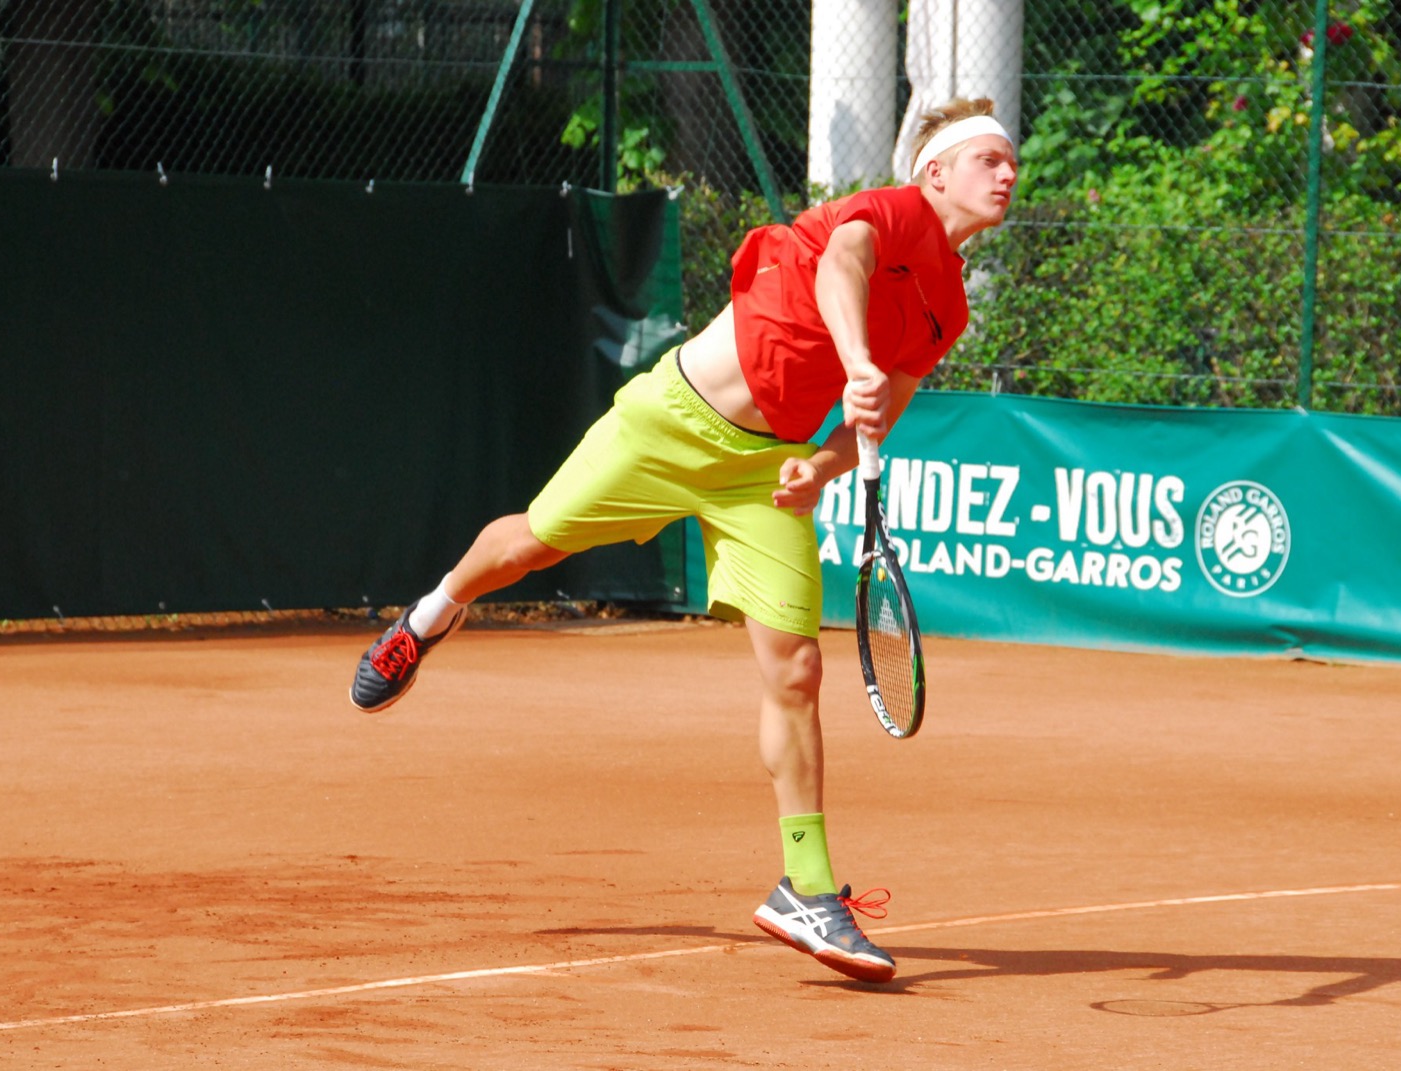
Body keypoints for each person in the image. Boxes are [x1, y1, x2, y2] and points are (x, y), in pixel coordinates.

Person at [349, 98, 1018, 984]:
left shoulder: (951, 307)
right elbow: (841, 269)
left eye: (1011, 163)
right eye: (988, 160)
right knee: (531, 545)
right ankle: (432, 614)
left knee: (797, 671)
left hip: (764, 469)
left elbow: (883, 405)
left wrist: (821, 469)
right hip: (671, 423)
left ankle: (806, 888)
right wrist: (854, 360)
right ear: (934, 173)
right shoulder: (891, 213)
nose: (1007, 174)